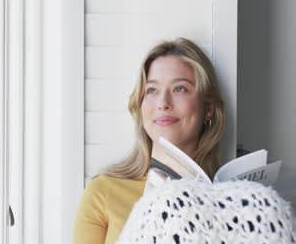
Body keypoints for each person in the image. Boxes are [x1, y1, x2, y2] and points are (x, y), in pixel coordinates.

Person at [72, 37, 226, 244]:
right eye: (152, 90)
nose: (163, 103)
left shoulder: (231, 195)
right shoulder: (104, 191)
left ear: (208, 108)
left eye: (180, 88)